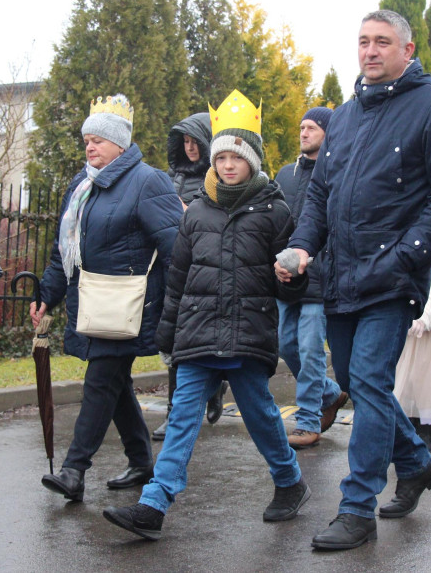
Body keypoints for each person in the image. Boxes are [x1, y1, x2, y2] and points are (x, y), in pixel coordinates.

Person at [278, 9, 431, 551]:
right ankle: (414, 460)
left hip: (391, 280)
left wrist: (404, 257)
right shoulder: (343, 116)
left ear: (407, 50)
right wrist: (302, 245)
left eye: (382, 42)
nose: (370, 51)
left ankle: (357, 508)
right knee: (364, 386)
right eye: (363, 41)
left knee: (367, 379)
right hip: (339, 278)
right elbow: (319, 195)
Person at [103, 90, 310, 541]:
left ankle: (290, 481)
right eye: (221, 157)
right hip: (197, 332)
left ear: (252, 160)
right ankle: (154, 504)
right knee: (182, 416)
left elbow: (290, 281)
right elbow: (178, 276)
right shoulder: (195, 211)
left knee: (259, 414)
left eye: (237, 157)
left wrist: (292, 277)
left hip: (247, 333)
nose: (227, 164)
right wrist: (168, 330)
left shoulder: (276, 212)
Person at [33, 94, 183, 502]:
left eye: (99, 138)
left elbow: (176, 248)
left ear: (121, 143)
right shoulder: (81, 186)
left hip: (130, 305)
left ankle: (74, 470)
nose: (90, 145)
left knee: (100, 380)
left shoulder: (148, 181)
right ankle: (141, 461)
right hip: (92, 301)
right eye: (86, 139)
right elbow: (63, 251)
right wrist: (47, 295)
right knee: (115, 385)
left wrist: (173, 308)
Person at [273, 106, 348, 450]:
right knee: (284, 344)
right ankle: (330, 393)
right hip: (287, 277)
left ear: (328, 134)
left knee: (309, 348)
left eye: (312, 127)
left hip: (320, 278)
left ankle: (307, 422)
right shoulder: (284, 175)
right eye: (301, 127)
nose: (303, 133)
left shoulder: (340, 173)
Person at [153, 112, 226, 441]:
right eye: (184, 141)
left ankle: (216, 386)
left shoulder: (218, 178)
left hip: (204, 268)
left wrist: (189, 212)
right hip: (171, 266)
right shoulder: (170, 176)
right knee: (174, 343)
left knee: (199, 340)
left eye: (195, 141)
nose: (190, 148)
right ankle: (174, 414)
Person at [393, 255, 431, 455]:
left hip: (424, 329)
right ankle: (409, 431)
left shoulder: (427, 251)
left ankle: (427, 433)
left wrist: (422, 317)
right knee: (404, 383)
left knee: (423, 384)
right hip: (401, 324)